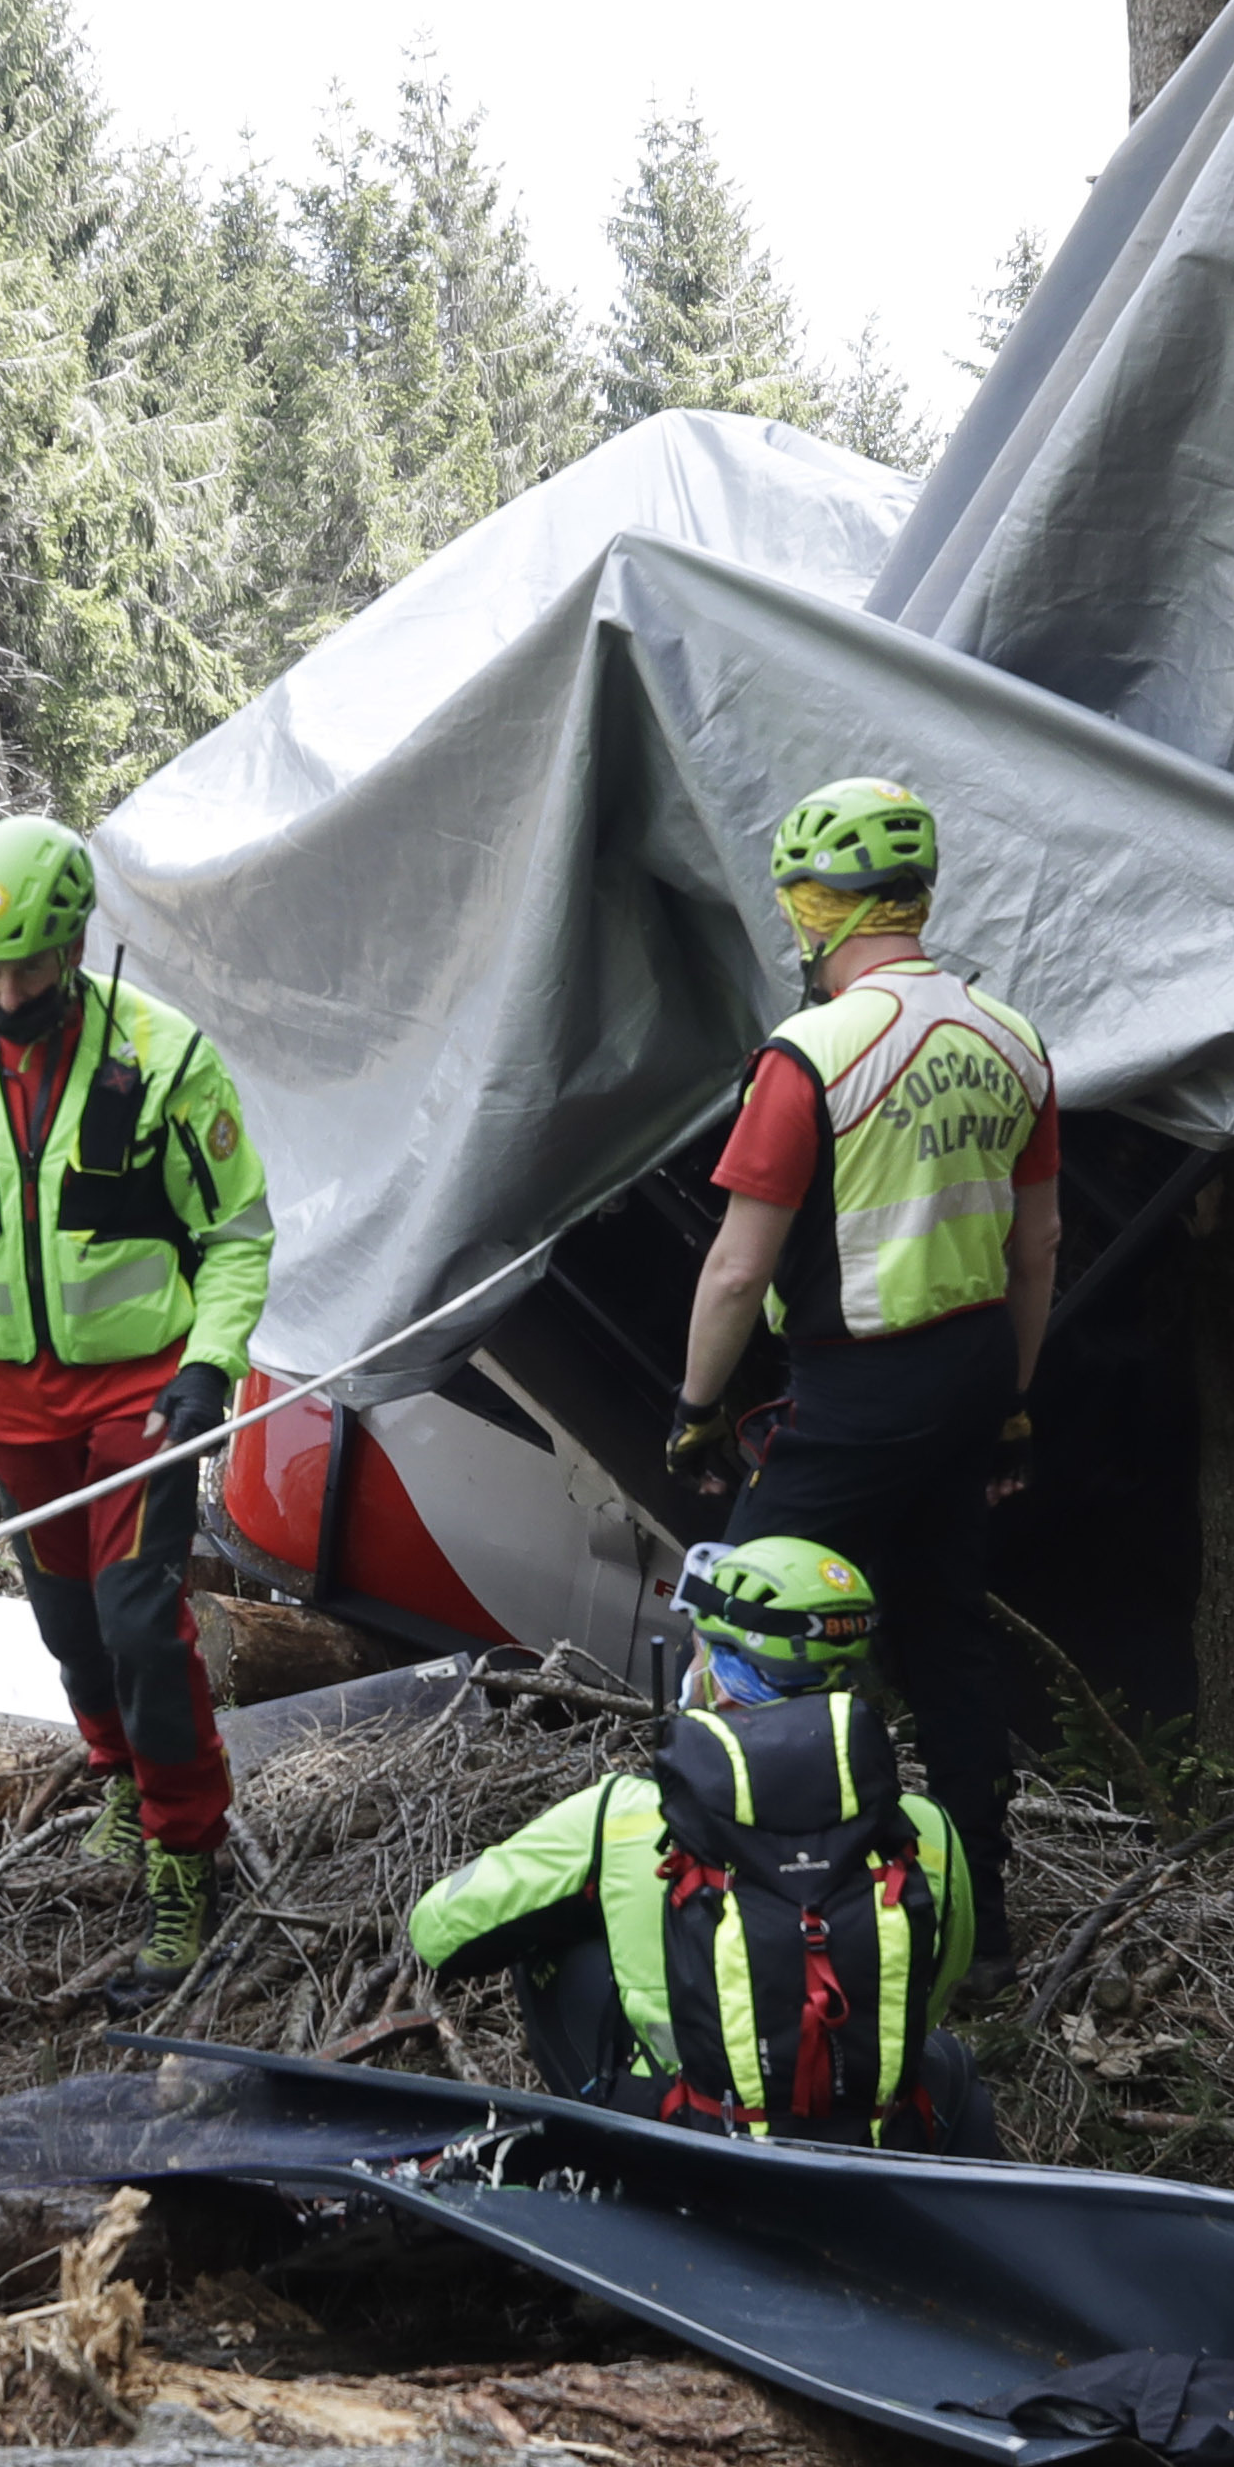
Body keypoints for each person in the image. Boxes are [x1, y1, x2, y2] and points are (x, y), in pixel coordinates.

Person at [0, 817, 273, 2012]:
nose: (4, 993)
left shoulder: (163, 1053)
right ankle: (114, 1772)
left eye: (29, 969)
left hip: (142, 1386)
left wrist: (212, 1364)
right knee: (62, 1615)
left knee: (141, 1618)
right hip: (9, 1389)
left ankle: (186, 1856)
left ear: (76, 941)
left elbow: (238, 1235)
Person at [666, 779, 1058, 1986]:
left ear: (817, 909)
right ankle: (979, 1923)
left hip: (857, 1385)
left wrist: (693, 1412)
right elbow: (1035, 1246)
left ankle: (712, 1894)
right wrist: (1009, 1407)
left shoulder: (810, 1053)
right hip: (972, 1366)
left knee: (737, 1623)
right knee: (942, 1635)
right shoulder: (1012, 1039)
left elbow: (738, 1269)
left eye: (796, 898)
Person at [407, 1537, 995, 2156]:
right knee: (947, 2059)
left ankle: (604, 2160)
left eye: (700, 1646)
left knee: (552, 1940)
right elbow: (931, 1994)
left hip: (685, 2138)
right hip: (868, 2140)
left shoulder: (624, 1816)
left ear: (723, 1666)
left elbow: (438, 1932)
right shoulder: (927, 1829)